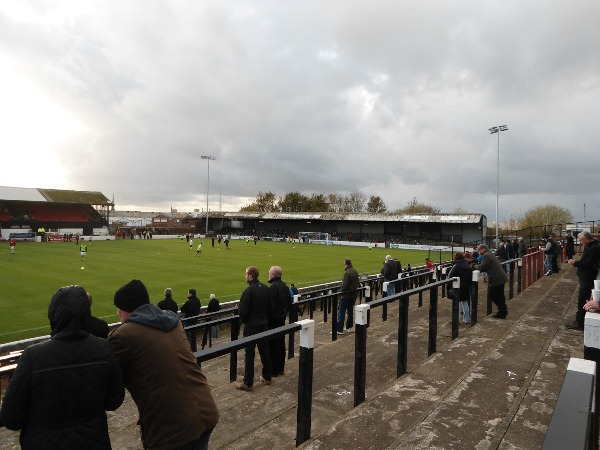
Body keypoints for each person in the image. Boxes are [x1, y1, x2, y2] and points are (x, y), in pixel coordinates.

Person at [1, 285, 125, 449]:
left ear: (54, 313)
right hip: (94, 441)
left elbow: (11, 418)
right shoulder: (103, 348)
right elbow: (114, 400)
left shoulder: (32, 356)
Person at [109, 279, 219, 449]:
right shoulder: (173, 321)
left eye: (119, 310)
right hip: (206, 409)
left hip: (173, 429)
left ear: (125, 310)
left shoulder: (124, 335)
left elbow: (108, 380)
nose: (118, 314)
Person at [235, 266, 273, 391]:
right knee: (265, 352)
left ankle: (248, 382)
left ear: (250, 276)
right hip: (263, 324)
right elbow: (269, 307)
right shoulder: (266, 289)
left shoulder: (248, 291)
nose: (245, 276)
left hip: (252, 327)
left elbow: (243, 312)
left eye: (246, 274)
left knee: (249, 355)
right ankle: (267, 377)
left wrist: (245, 321)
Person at [565, 231, 600, 330]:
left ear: (587, 239)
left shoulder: (594, 248)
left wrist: (574, 263)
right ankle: (580, 320)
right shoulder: (591, 246)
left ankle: (579, 323)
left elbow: (588, 264)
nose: (580, 242)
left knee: (583, 299)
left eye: (581, 240)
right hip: (586, 276)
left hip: (588, 277)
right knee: (583, 298)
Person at [268, 265, 291, 377]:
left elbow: (270, 306)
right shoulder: (285, 286)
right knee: (281, 342)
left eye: (269, 273)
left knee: (273, 344)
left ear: (273, 275)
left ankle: (274, 370)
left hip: (274, 320)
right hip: (281, 318)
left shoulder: (273, 287)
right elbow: (289, 303)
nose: (268, 274)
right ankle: (280, 367)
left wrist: (269, 317)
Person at [477, 244, 509, 319]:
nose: (478, 251)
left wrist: (473, 266)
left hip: (496, 278)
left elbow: (482, 267)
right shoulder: (490, 254)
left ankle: (503, 310)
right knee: (500, 296)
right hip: (500, 278)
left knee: (492, 295)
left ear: (483, 249)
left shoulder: (486, 255)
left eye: (479, 250)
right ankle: (502, 312)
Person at [448, 253, 473, 324]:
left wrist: (447, 287)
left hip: (457, 288)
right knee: (465, 303)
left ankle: (456, 320)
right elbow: (470, 279)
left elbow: (450, 277)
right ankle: (467, 319)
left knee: (457, 304)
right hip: (465, 287)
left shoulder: (456, 266)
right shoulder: (468, 266)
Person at [337, 258, 359, 335]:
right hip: (353, 295)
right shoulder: (355, 271)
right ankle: (349, 327)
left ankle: (339, 329)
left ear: (346, 264)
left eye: (344, 263)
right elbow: (357, 283)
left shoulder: (347, 273)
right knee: (350, 311)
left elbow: (345, 285)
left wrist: (341, 292)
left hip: (346, 296)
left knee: (341, 312)